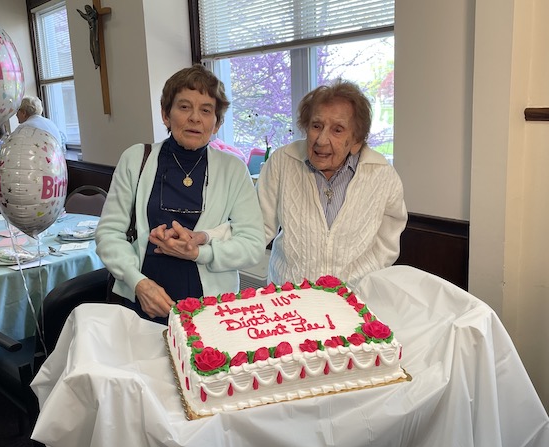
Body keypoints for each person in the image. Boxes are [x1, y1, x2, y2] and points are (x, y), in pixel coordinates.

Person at [95, 64, 265, 325]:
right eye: (184, 107)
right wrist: (137, 283)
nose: (195, 118)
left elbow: (252, 245)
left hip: (210, 310)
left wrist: (200, 253)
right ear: (166, 114)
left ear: (217, 122)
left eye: (206, 110)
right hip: (143, 300)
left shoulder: (234, 170)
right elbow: (109, 235)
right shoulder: (136, 159)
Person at [256, 80, 407, 287]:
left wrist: (363, 280)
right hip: (288, 297)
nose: (321, 140)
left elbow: (388, 242)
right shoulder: (283, 162)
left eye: (337, 130)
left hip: (354, 299)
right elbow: (257, 227)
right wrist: (211, 243)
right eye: (316, 126)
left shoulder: (382, 175)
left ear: (356, 140)